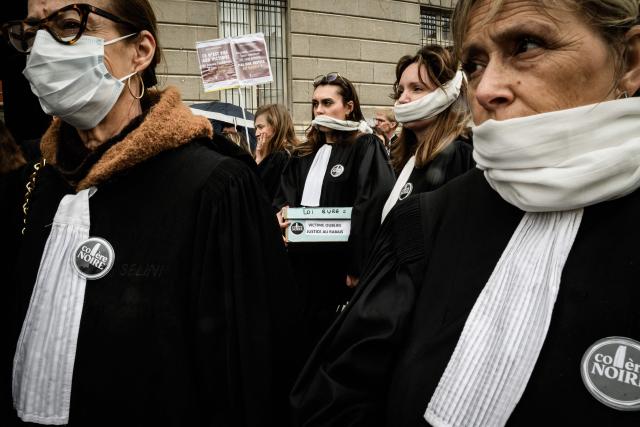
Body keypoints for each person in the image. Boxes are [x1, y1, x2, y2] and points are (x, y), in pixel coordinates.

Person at [291, 0, 640, 426]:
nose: (487, 88)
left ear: (630, 59)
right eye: (474, 64)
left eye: (527, 45)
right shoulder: (426, 221)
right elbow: (338, 392)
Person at [2, 1, 299, 426]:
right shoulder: (36, 180)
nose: (45, 49)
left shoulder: (215, 187)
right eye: (32, 33)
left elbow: (250, 377)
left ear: (139, 51)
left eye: (68, 25)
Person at [274, 73, 395, 348]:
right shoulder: (302, 155)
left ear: (349, 107)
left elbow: (371, 203)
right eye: (315, 103)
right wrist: (278, 219)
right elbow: (282, 200)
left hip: (340, 275)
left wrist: (357, 266)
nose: (319, 110)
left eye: (328, 103)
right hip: (301, 273)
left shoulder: (365, 146)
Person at [380, 44, 475, 223]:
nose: (402, 99)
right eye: (400, 90)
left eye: (416, 88)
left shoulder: (458, 156)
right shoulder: (407, 156)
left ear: (447, 95)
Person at [254, 103, 299, 203]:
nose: (256, 133)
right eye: (256, 128)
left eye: (261, 127)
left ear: (276, 126)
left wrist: (260, 159)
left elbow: (256, 192)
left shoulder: (281, 157)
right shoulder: (288, 153)